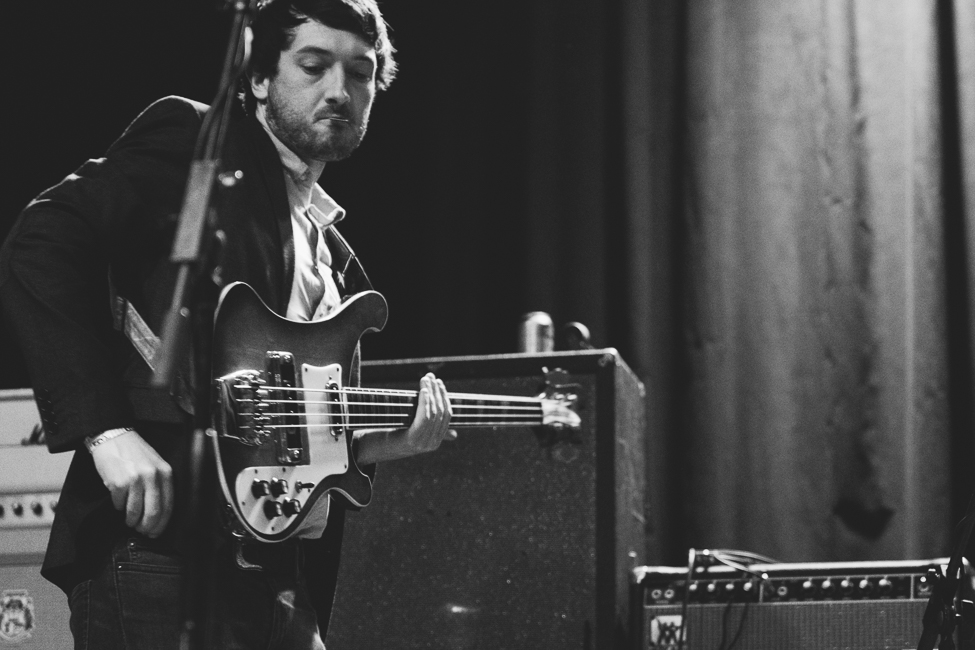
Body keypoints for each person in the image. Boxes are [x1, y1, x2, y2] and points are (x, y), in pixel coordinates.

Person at [0, 1, 453, 648]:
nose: (339, 90)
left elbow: (283, 430)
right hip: (161, 552)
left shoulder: (338, 265)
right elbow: (41, 242)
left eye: (360, 72)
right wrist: (104, 430)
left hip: (277, 577)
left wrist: (384, 444)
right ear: (260, 77)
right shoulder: (199, 147)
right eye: (314, 64)